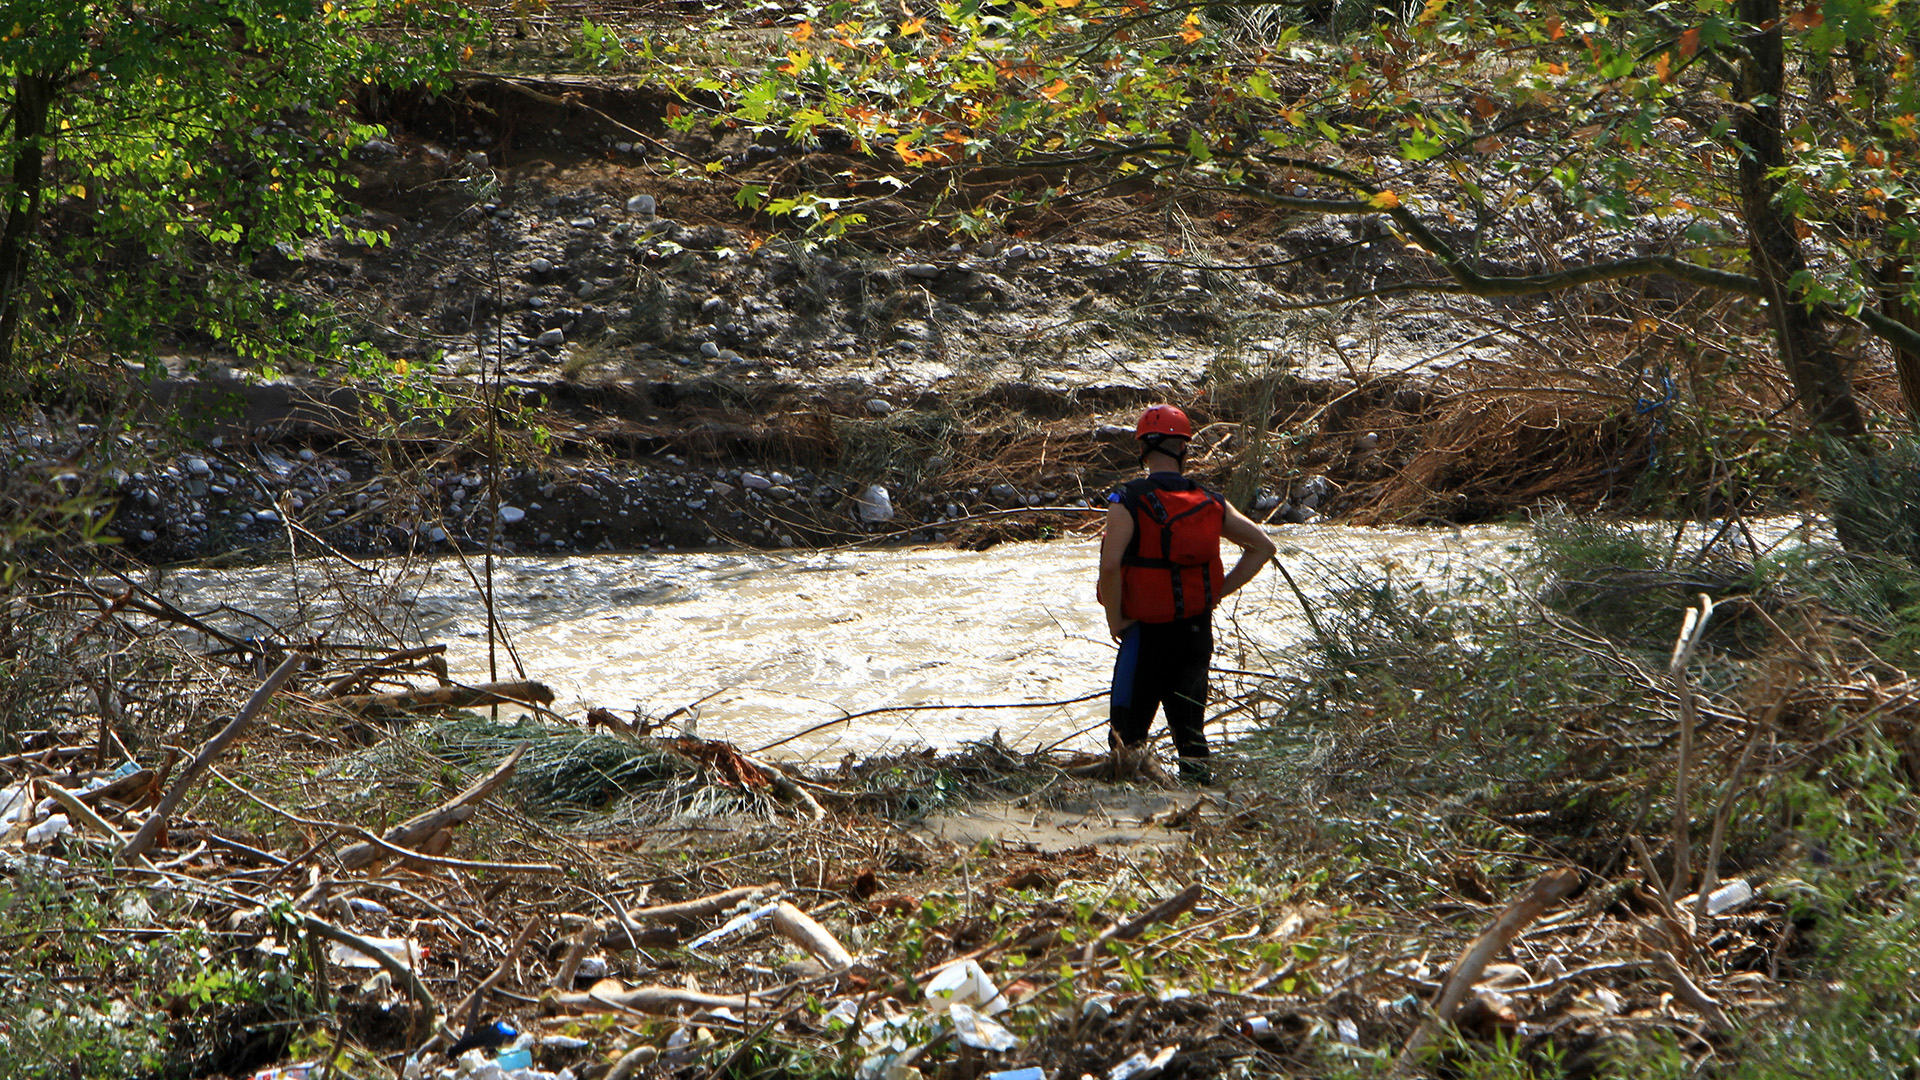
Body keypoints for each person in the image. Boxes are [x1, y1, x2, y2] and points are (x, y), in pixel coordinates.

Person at [1098, 405, 1277, 784]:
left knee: (1125, 739)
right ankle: (1200, 813)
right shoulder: (1210, 500)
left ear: (1143, 449)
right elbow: (1263, 547)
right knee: (1192, 737)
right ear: (1183, 448)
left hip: (1144, 634)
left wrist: (1115, 618)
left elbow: (1111, 567)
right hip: (1195, 633)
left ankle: (1126, 819)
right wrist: (1213, 595)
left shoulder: (1127, 499)